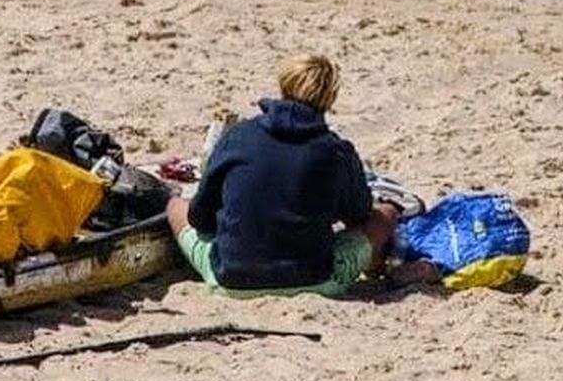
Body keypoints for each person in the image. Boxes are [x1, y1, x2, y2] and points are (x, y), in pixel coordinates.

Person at [165, 52, 400, 296]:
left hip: (232, 279)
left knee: (175, 205)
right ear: (330, 97)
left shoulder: (237, 136)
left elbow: (200, 217)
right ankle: (374, 269)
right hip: (314, 279)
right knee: (386, 215)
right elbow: (359, 216)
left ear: (283, 85)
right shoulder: (336, 151)